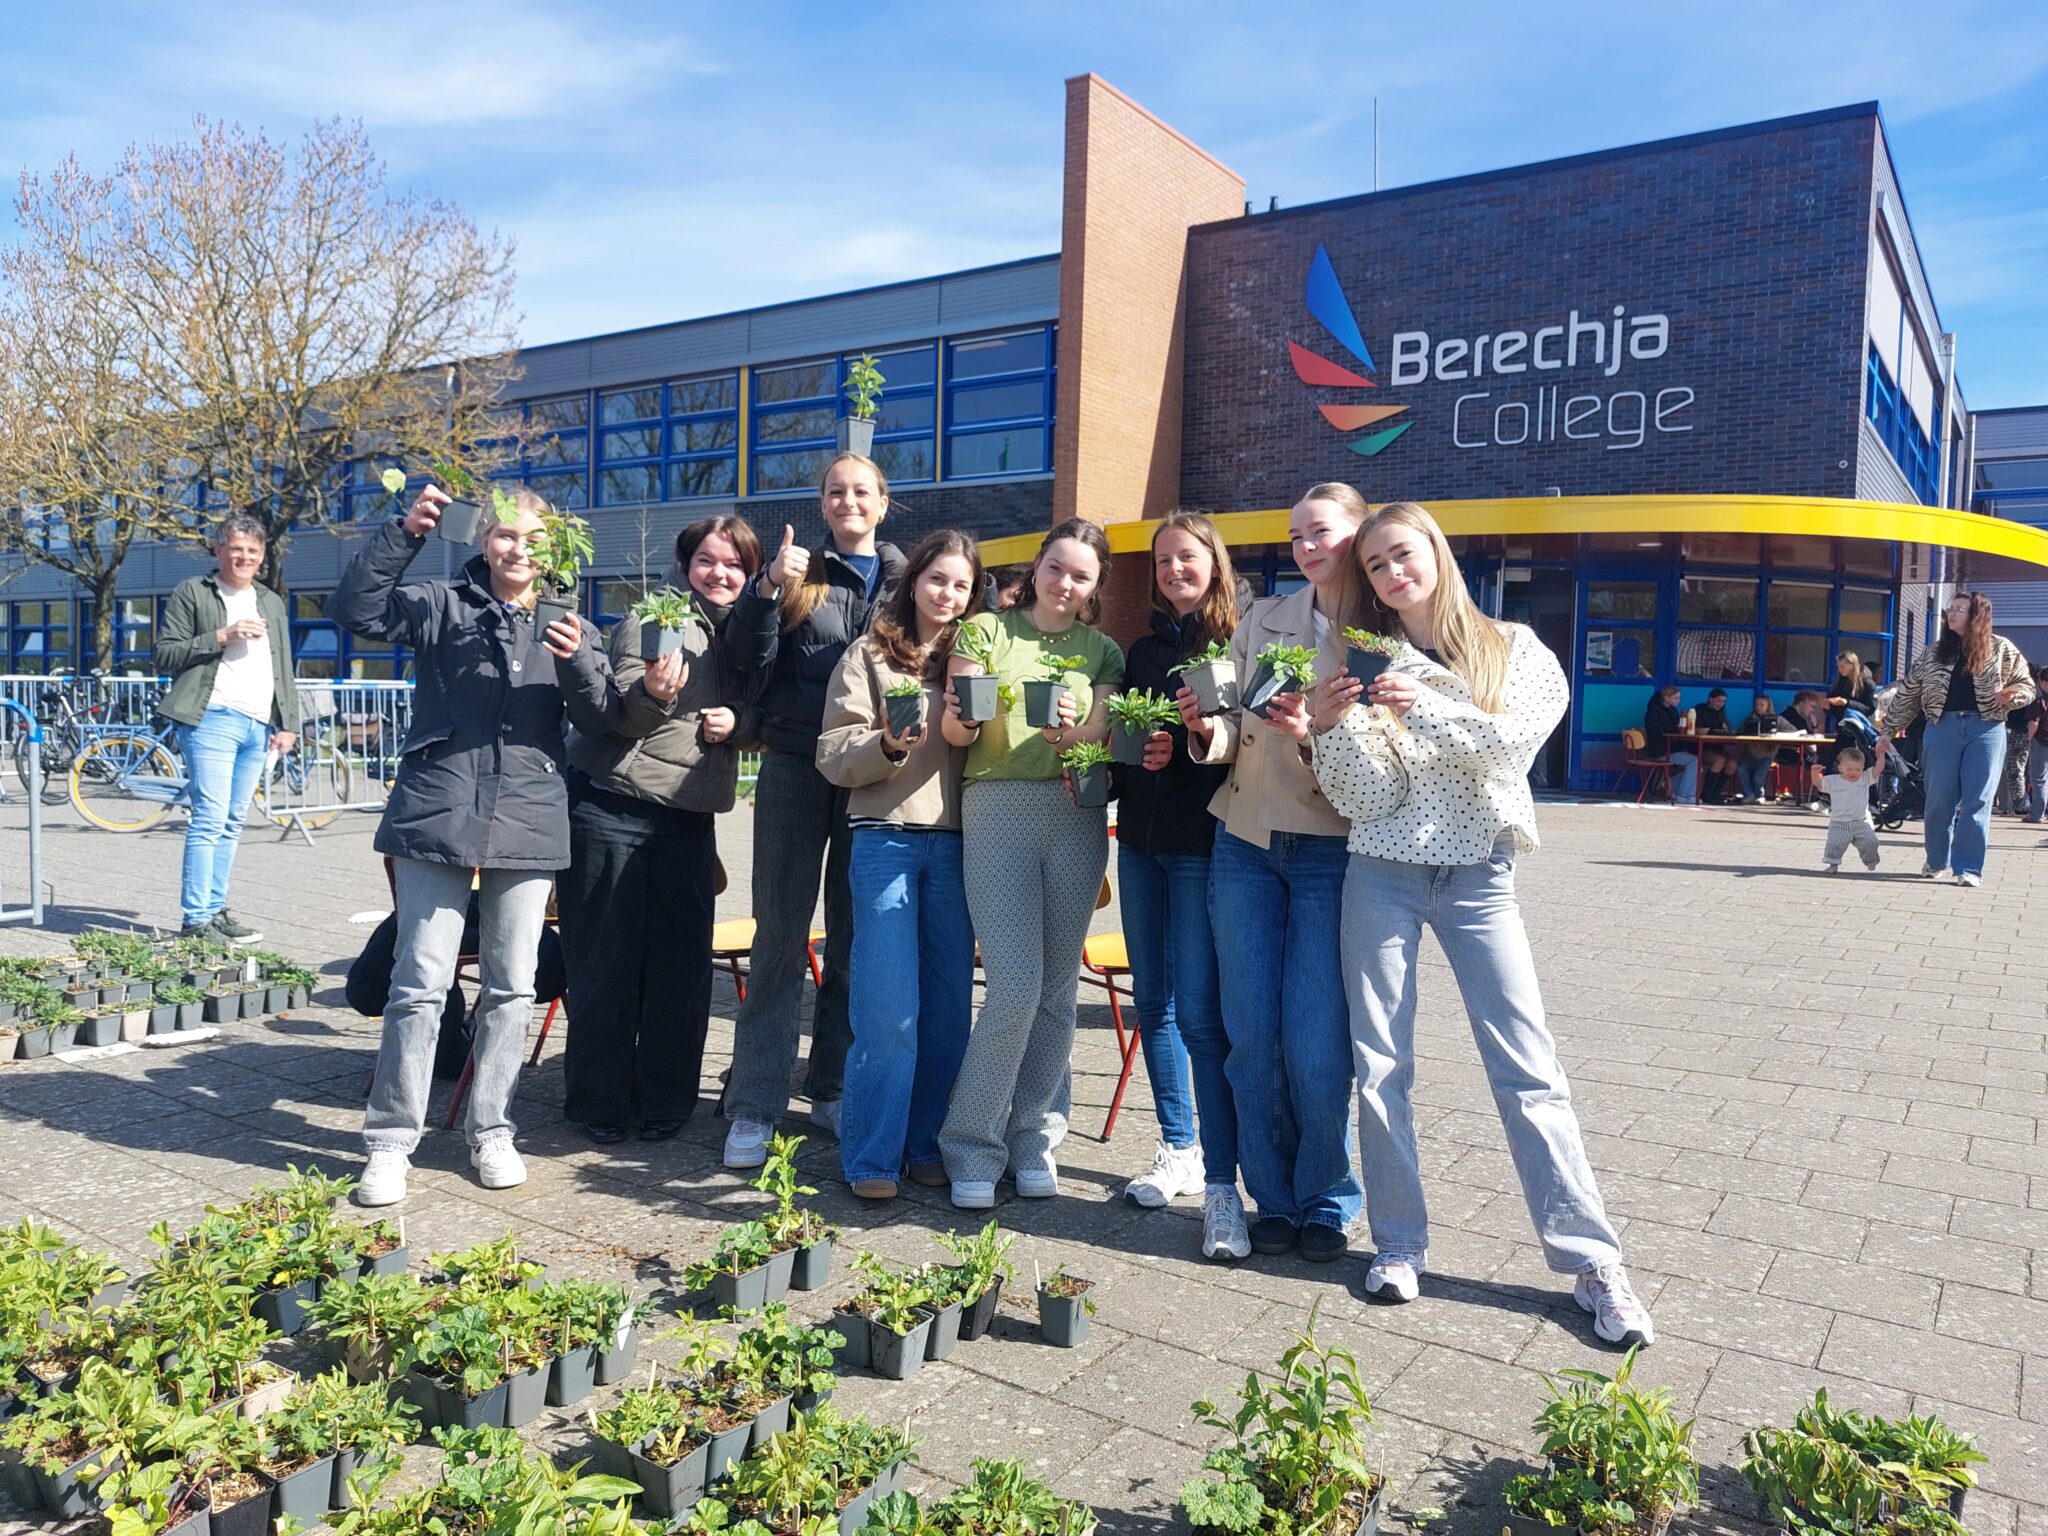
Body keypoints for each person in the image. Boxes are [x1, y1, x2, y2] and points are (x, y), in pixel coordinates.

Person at [1308, 500, 1653, 1347]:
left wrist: (1421, 706)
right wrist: (1330, 731)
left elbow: (1509, 749)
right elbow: (1367, 799)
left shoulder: (1517, 650)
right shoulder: (1366, 660)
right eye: (1376, 566)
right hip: (1382, 872)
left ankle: (1593, 1263)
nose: (1393, 573)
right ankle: (1399, 1244)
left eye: (1403, 553)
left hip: (1480, 878)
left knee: (1528, 1069)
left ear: (1437, 552)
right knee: (1380, 1066)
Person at [330, 485, 621, 1206]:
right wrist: (405, 534)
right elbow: (358, 611)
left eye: (533, 538)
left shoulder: (571, 624)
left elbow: (601, 717)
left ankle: (491, 1128)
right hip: (439, 808)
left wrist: (576, 659)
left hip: (528, 815)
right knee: (419, 984)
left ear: (553, 549)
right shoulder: (441, 605)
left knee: (512, 986)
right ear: (484, 540)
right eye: (505, 535)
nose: (518, 548)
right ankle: (390, 1141)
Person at [1178, 483, 1364, 1262]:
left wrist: (1315, 733)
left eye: (1321, 532)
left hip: (1332, 846)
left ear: (1359, 532)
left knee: (1316, 1045)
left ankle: (1326, 1196)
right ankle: (1274, 1199)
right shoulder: (1265, 620)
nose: (1306, 547)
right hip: (1246, 839)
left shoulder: (1382, 632)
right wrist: (1203, 729)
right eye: (1296, 536)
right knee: (1251, 1036)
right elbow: (1230, 722)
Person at [722, 453, 906, 1168]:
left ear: (883, 503)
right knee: (779, 937)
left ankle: (829, 1085)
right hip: (796, 765)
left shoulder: (906, 580)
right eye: (835, 491)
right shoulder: (799, 574)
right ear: (822, 503)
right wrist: (768, 587)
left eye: (861, 491)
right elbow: (746, 656)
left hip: (872, 772)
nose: (847, 501)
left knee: (857, 940)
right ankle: (755, 1104)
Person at [557, 516, 764, 1144]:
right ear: (685, 565)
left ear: (752, 572)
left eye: (734, 564)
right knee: (605, 963)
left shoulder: (755, 633)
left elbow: (770, 715)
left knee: (682, 967)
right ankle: (599, 1102)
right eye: (706, 560)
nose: (719, 573)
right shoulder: (652, 619)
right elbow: (616, 717)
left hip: (689, 818)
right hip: (611, 807)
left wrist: (741, 723)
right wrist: (652, 691)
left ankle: (666, 1100)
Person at [938, 518, 1123, 1209]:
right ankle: (971, 1144)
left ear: (1096, 586)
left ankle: (1034, 1135)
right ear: (1037, 566)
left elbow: (1099, 735)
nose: (1065, 583)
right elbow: (958, 727)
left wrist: (1068, 730)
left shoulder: (1102, 652)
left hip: (1074, 812)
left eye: (1081, 575)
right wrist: (965, 712)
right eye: (1056, 568)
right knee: (1014, 988)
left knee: (1055, 993)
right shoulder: (986, 631)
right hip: (996, 805)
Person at [817, 530, 983, 1200]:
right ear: (914, 581)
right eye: (937, 578)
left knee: (947, 1012)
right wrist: (886, 743)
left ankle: (925, 1144)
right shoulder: (870, 653)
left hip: (959, 844)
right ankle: (872, 1156)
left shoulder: (978, 657)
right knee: (888, 1012)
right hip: (885, 838)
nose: (948, 593)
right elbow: (833, 751)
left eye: (962, 585)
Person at [1109, 512, 1246, 1259]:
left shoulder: (1236, 643)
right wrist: (1127, 759)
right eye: (1163, 561)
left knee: (1197, 1011)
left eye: (1186, 557)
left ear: (1213, 562)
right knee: (1152, 1002)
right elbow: (1128, 750)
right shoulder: (1143, 649)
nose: (1173, 570)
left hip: (1200, 845)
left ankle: (1221, 1167)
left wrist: (1189, 750)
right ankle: (1178, 1147)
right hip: (1138, 843)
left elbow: (1245, 749)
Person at [154, 515, 301, 943]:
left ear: (262, 555)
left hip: (257, 724)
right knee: (209, 818)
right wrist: (222, 635)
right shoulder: (193, 592)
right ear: (219, 550)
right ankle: (196, 919)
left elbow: (283, 666)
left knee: (233, 822)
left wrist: (288, 724)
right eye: (236, 548)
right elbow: (164, 654)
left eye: (253, 551)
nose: (244, 557)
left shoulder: (271, 601)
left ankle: (216, 910)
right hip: (211, 718)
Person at [1876, 593, 2037, 886]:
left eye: (1960, 609)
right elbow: (1909, 692)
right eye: (1950, 608)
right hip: (1942, 727)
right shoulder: (1934, 652)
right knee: (1939, 798)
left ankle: (1968, 869)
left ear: (1977, 614)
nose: (1951, 613)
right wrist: (1888, 730)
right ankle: (1936, 860)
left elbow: (2027, 685)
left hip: (1986, 729)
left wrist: (2012, 697)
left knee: (1978, 799)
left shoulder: (2001, 648)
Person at [1819, 745, 1881, 875]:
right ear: (1840, 768)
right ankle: (1833, 864)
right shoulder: (1834, 780)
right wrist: (1814, 773)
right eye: (1849, 769)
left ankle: (1871, 861)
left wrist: (1881, 757)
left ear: (1863, 768)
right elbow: (1819, 785)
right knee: (1834, 844)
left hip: (1861, 820)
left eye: (1858, 769)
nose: (1853, 773)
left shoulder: (1864, 778)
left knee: (1871, 842)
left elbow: (1877, 770)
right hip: (1839, 821)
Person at [1642, 685, 1697, 802]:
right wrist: (1675, 729)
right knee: (1695, 762)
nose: (1678, 701)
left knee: (1698, 766)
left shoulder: (1673, 710)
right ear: (1666, 697)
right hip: (1661, 751)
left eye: (1679, 698)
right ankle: (1684, 795)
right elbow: (1655, 730)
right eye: (1675, 698)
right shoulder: (1653, 711)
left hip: (1672, 749)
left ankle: (1669, 784)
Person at [1733, 694, 1782, 804]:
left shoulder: (1776, 720)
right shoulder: (1748, 720)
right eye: (1756, 705)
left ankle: (1759, 794)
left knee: (1758, 778)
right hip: (1750, 753)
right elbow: (1739, 733)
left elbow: (1789, 730)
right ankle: (1749, 794)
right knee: (1741, 769)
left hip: (1766, 755)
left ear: (1768, 706)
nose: (1758, 707)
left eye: (1761, 705)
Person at [1694, 687, 1736, 803]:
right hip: (1700, 747)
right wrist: (1713, 730)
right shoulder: (1700, 709)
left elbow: (1727, 729)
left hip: (1716, 747)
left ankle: (1716, 792)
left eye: (1723, 702)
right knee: (1720, 760)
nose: (1720, 704)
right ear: (1710, 699)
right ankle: (1706, 793)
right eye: (1718, 700)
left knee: (1732, 764)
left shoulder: (1721, 713)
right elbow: (1699, 730)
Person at [2022, 665, 2048, 825]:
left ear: (2044, 682)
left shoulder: (2040, 701)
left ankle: (2037, 814)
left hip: (2042, 741)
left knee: (2039, 778)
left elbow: (2034, 723)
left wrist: (2029, 739)